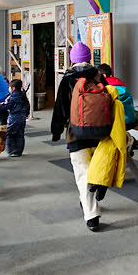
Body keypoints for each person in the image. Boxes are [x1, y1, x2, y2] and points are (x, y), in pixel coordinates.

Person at [51, 42, 108, 232]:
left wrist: (56, 130)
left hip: (76, 134)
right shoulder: (99, 77)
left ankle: (92, 216)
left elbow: (60, 108)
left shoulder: (67, 80)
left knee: (83, 173)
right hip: (101, 134)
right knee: (97, 168)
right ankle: (96, 187)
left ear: (72, 60)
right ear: (90, 58)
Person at [0, 79, 30, 157]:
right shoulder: (23, 96)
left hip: (13, 118)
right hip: (22, 118)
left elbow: (6, 106)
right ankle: (19, 151)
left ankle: (11, 150)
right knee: (20, 134)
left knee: (10, 134)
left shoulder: (12, 97)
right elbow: (27, 106)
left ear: (13, 88)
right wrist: (26, 114)